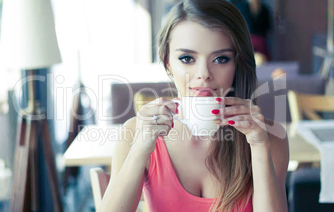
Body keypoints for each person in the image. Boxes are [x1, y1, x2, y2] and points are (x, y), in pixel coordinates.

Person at [100, 0, 289, 211]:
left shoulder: (270, 138)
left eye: (220, 59)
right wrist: (139, 150)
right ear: (167, 63)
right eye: (187, 58)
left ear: (238, 63)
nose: (204, 74)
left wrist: (258, 145)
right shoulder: (135, 133)